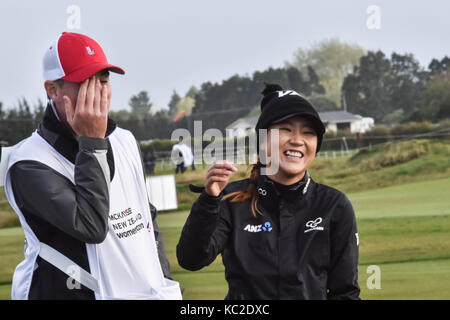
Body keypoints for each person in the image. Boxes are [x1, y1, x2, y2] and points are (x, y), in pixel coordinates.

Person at [4, 32, 181, 300]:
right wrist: (93, 142)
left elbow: (147, 218)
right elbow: (91, 226)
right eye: (85, 82)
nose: (98, 92)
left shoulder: (125, 140)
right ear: (52, 90)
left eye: (104, 80)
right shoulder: (28, 163)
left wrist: (163, 280)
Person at [176, 84, 360, 300]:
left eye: (309, 132)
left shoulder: (334, 205)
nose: (298, 140)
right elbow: (191, 259)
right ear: (262, 141)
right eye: (285, 129)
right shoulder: (231, 199)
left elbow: (345, 292)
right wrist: (209, 201)